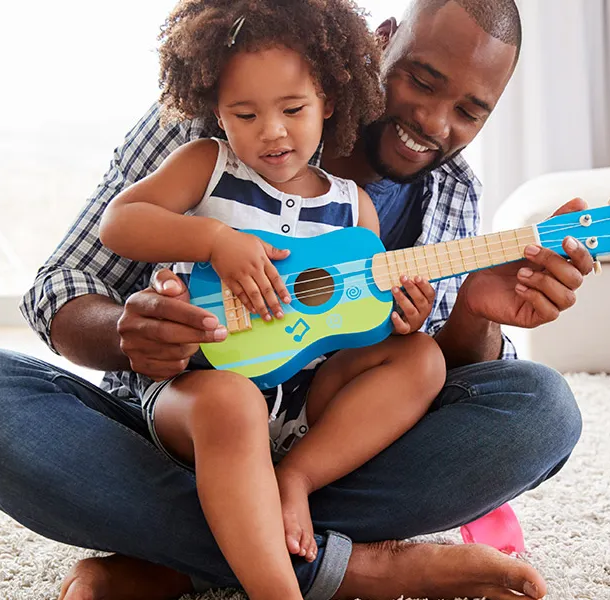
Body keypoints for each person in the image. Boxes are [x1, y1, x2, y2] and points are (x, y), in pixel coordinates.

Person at [0, 0, 592, 599]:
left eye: (469, 111)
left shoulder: (442, 197)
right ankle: (357, 570)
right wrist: (129, 329)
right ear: (381, 40)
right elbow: (59, 288)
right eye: (421, 80)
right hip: (181, 421)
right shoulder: (216, 123)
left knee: (542, 410)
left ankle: (186, 558)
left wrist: (470, 311)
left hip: (317, 441)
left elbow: (421, 377)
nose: (434, 121)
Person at [97, 3, 445, 597]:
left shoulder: (352, 207)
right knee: (231, 404)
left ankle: (295, 481)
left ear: (329, 101)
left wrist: (400, 317)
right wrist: (212, 239)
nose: (272, 131)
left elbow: (350, 319)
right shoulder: (208, 167)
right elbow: (120, 223)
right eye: (245, 113)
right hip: (202, 395)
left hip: (303, 411)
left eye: (293, 109)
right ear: (216, 111)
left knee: (424, 361)